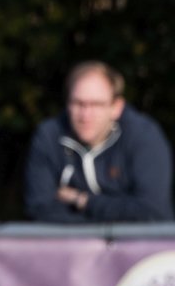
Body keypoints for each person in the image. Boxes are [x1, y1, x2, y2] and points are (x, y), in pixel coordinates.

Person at [25, 61, 174, 222]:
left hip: (145, 246)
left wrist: (82, 200)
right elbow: (39, 209)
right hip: (71, 245)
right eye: (78, 103)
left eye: (96, 104)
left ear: (116, 107)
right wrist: (97, 235)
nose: (86, 115)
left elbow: (151, 211)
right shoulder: (49, 136)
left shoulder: (143, 136)